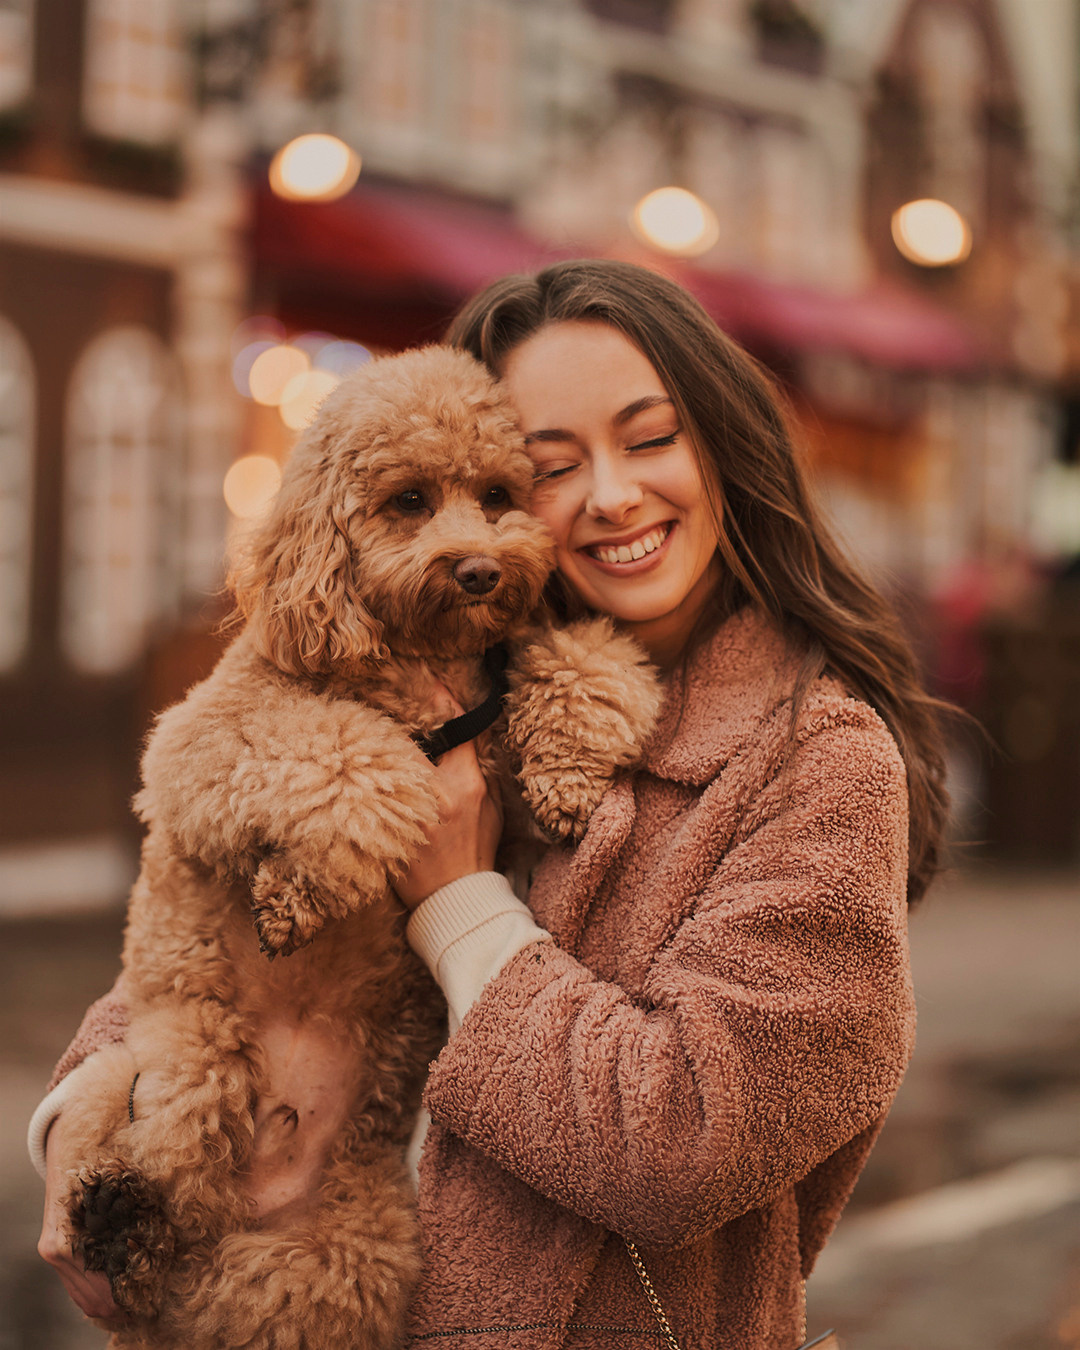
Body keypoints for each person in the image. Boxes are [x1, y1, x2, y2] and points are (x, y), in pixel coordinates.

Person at [34, 259, 947, 1349]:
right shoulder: (430, 675)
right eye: (554, 467)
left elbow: (686, 1144)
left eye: (651, 439)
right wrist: (84, 1123)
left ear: (728, 447)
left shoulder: (818, 763)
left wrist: (458, 896)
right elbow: (204, 931)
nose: (611, 496)